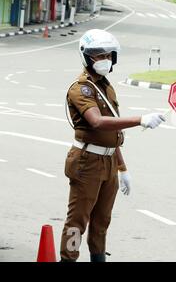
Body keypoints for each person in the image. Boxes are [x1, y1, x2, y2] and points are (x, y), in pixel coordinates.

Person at [60, 29, 166, 262]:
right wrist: (140, 119)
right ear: (87, 57)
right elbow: (97, 122)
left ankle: (98, 259)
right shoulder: (81, 88)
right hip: (87, 162)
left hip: (108, 162)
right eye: (98, 55)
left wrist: (123, 168)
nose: (104, 59)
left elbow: (112, 132)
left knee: (102, 221)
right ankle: (68, 258)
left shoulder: (106, 86)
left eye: (108, 55)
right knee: (77, 222)